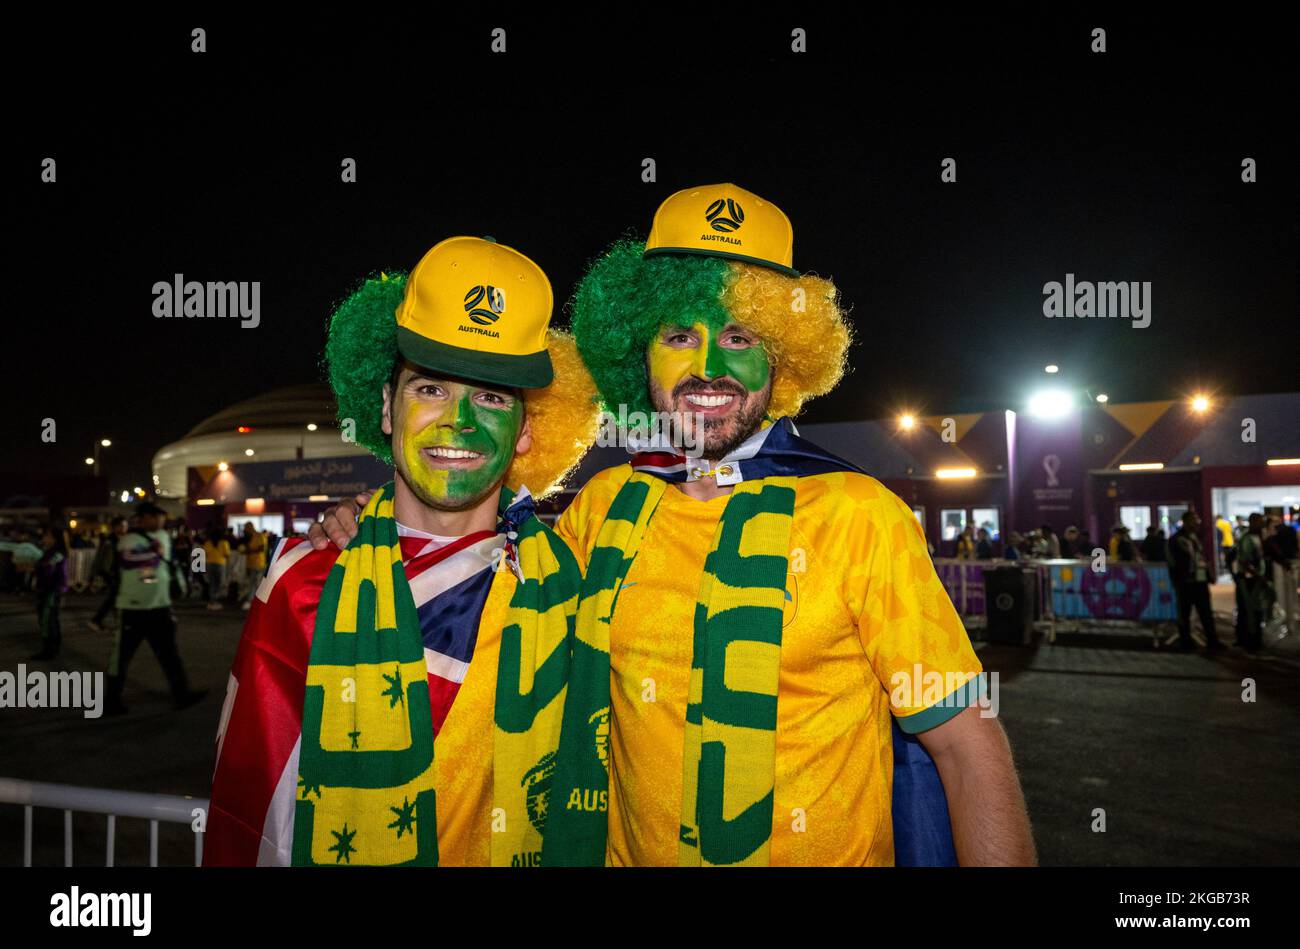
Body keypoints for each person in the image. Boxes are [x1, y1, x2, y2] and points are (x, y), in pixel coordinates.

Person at [320, 185, 1036, 867]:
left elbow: (966, 746)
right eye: (680, 335)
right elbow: (483, 576)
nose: (709, 367)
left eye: (740, 337)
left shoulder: (861, 514)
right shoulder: (603, 508)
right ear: (641, 352)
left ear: (783, 358)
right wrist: (371, 523)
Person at [204, 237, 601, 867]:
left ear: (527, 431)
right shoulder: (302, 579)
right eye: (432, 389)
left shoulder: (571, 581)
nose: (458, 421)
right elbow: (253, 816)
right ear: (387, 408)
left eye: (492, 397)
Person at [105, 502, 206, 715]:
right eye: (157, 517)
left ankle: (182, 694)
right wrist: (154, 554)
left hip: (160, 606)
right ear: (144, 518)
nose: (162, 520)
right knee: (121, 657)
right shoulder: (129, 539)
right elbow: (127, 560)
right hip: (132, 608)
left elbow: (167, 564)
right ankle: (111, 701)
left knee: (170, 654)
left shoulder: (163, 536)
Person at [1167, 510, 1221, 653]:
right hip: (1185, 582)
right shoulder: (1176, 540)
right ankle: (1186, 642)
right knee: (1184, 613)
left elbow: (1200, 558)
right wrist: (1177, 580)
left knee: (1206, 612)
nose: (1197, 523)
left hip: (1200, 581)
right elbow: (1173, 562)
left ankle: (1212, 641)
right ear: (1185, 521)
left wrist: (1208, 574)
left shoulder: (1194, 537)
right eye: (1194, 520)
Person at [30, 527, 68, 660]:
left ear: (54, 539)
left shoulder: (57, 554)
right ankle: (52, 648)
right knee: (48, 619)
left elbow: (48, 570)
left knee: (48, 619)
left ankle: (49, 650)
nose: (44, 538)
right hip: (47, 588)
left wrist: (34, 567)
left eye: (47, 536)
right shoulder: (48, 552)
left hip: (52, 590)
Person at [1234, 513, 1268, 652]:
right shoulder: (1247, 538)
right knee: (1250, 610)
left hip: (1253, 579)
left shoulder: (1257, 537)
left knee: (1251, 609)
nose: (1262, 524)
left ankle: (1248, 639)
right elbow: (1244, 561)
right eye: (1259, 521)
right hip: (1248, 580)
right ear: (1253, 522)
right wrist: (1258, 575)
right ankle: (1250, 641)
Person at [87, 516, 127, 632]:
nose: (125, 528)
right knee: (114, 597)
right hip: (110, 573)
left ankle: (116, 622)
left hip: (117, 572)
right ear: (115, 527)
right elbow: (102, 559)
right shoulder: (110, 541)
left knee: (115, 598)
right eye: (122, 526)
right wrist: (95, 575)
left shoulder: (122, 540)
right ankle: (97, 620)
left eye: (125, 526)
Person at [235, 521, 268, 610]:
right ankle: (256, 602)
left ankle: (251, 602)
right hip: (251, 564)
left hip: (258, 563)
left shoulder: (259, 536)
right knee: (253, 583)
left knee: (254, 583)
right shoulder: (250, 537)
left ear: (250, 528)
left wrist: (247, 551)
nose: (245, 531)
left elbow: (261, 548)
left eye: (246, 529)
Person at [202, 525, 231, 610]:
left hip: (210, 564)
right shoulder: (224, 543)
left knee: (212, 583)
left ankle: (212, 601)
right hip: (220, 564)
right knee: (219, 583)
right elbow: (227, 555)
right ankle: (215, 601)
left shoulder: (207, 543)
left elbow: (204, 553)